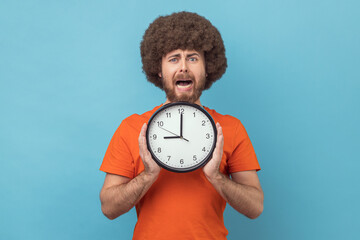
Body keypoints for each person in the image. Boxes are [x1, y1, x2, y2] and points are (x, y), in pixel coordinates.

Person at [99, 11, 264, 240]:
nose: (184, 67)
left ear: (207, 69)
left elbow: (255, 207)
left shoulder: (231, 128)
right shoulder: (132, 128)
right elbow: (108, 208)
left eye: (193, 58)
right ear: (159, 69)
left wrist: (216, 176)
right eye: (174, 58)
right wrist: (148, 175)